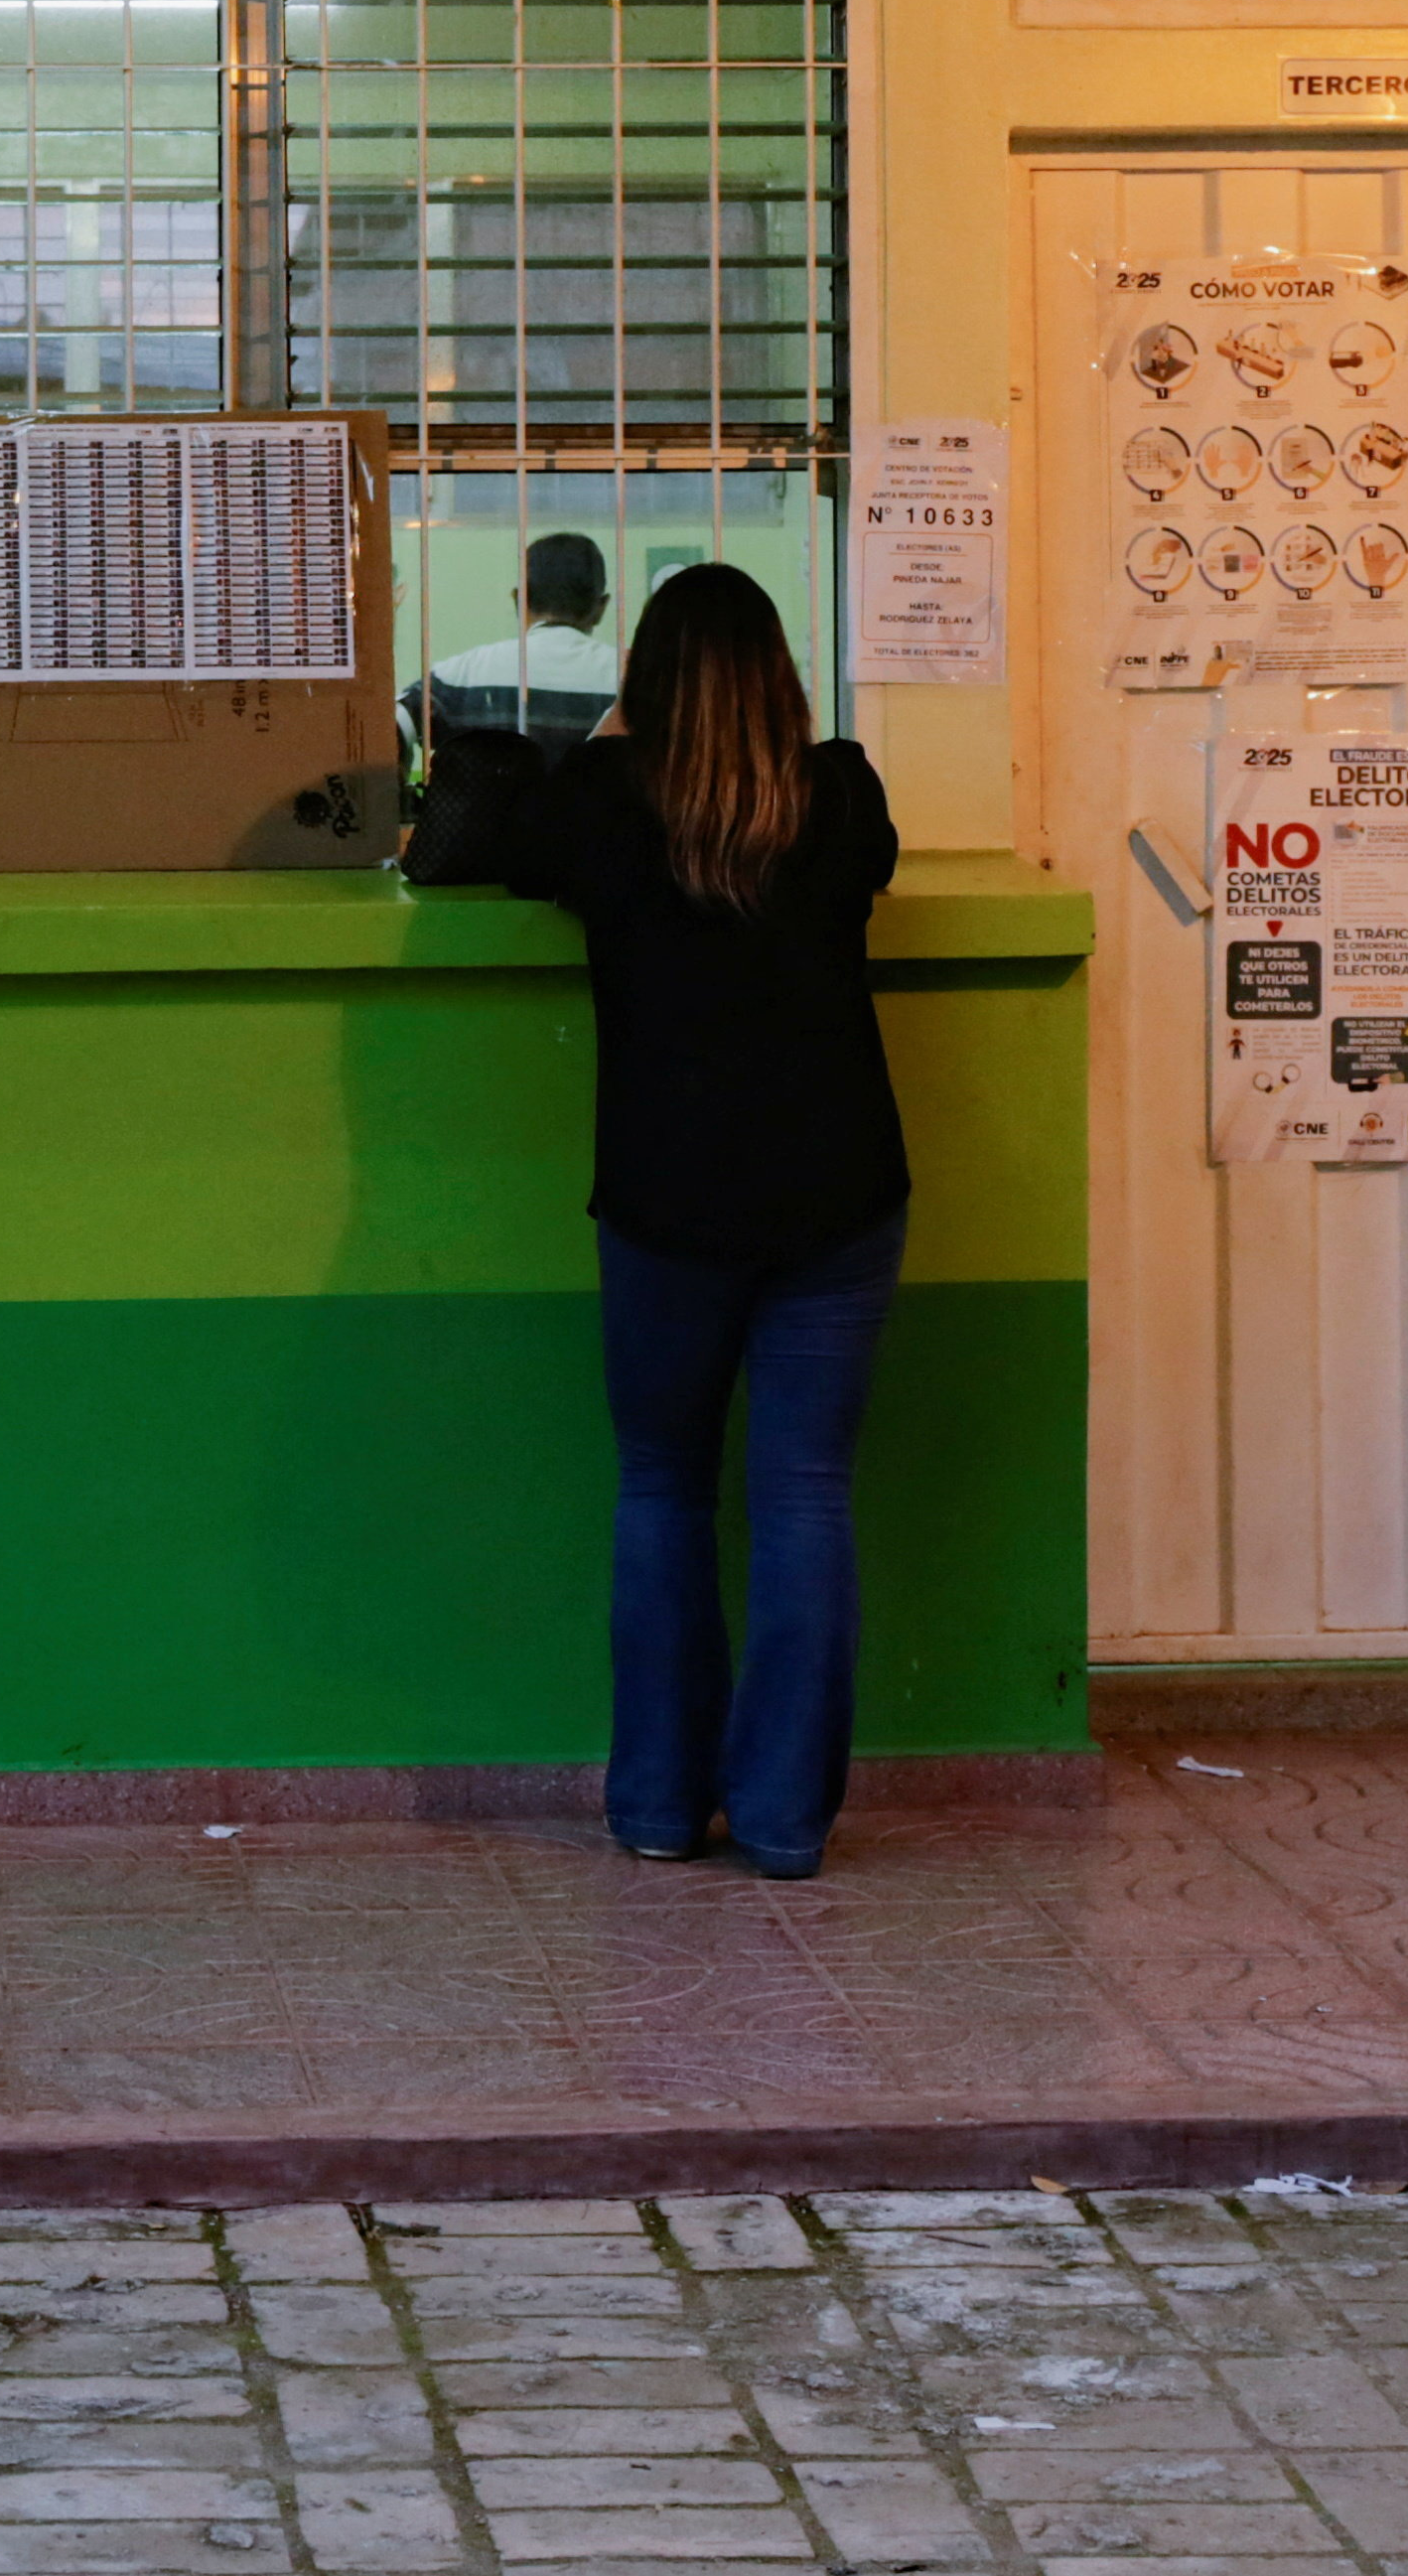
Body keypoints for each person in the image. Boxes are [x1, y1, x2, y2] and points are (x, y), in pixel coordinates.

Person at [497, 559, 908, 1881]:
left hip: (669, 1194)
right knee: (804, 1495)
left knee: (664, 1488)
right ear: (784, 677)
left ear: (646, 681)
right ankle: (785, 1819)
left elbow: (479, 844)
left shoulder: (609, 803)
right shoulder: (839, 795)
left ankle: (660, 1807)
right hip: (839, 1190)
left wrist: (624, 738)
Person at [414, 530, 623, 755]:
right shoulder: (631, 681)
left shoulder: (457, 676)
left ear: (519, 600)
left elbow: (393, 724)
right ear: (601, 607)